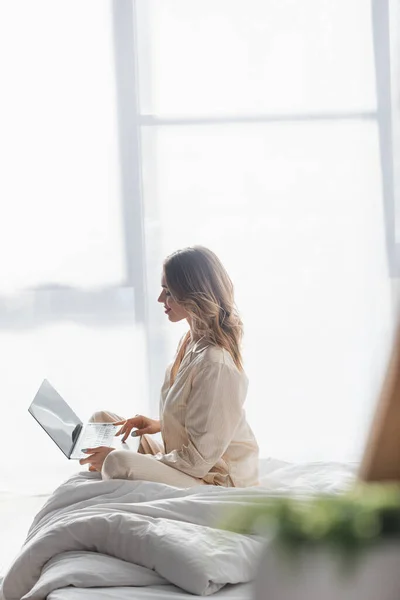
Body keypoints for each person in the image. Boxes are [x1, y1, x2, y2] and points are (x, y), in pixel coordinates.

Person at [80, 246, 259, 487]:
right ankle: (96, 470)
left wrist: (121, 459)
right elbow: (203, 416)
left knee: (116, 462)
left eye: (168, 292)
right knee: (101, 420)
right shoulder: (191, 341)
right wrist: (159, 425)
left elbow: (198, 462)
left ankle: (105, 469)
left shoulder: (216, 365)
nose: (160, 299)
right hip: (188, 462)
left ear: (192, 294)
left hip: (214, 477)